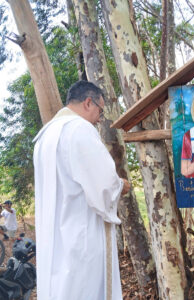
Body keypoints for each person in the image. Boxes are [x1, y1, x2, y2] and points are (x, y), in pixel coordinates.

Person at [33, 80, 130, 300]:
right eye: (100, 111)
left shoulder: (43, 136)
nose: (99, 118)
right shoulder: (79, 129)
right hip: (82, 236)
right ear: (88, 102)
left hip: (55, 237)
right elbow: (104, 186)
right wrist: (121, 186)